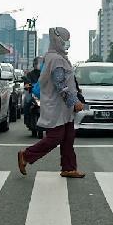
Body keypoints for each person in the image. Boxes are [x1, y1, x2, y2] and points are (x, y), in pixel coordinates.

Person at [18, 27, 86, 179]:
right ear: (58, 40)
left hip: (64, 107)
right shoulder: (55, 59)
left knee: (68, 137)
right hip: (57, 106)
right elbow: (60, 83)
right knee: (55, 137)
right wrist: (74, 102)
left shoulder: (59, 57)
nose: (67, 43)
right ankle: (26, 155)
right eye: (65, 40)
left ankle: (69, 168)